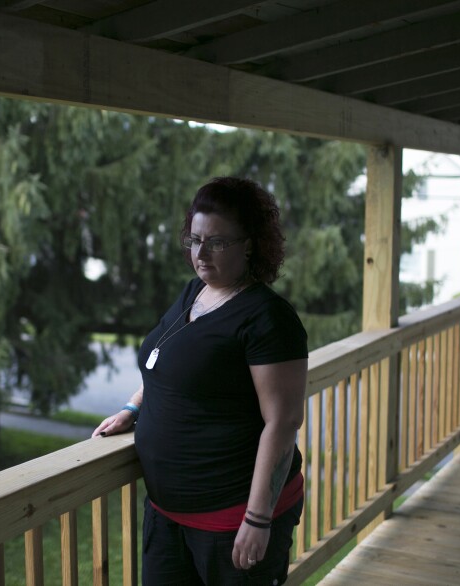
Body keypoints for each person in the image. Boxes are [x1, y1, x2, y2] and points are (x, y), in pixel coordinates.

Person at [93, 176, 308, 585]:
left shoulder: (267, 319)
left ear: (250, 243)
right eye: (194, 239)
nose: (201, 253)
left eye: (217, 242)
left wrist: (258, 519)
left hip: (233, 518)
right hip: (166, 512)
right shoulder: (195, 291)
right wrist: (133, 408)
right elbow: (167, 364)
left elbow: (283, 422)